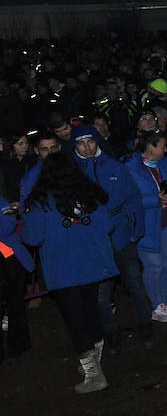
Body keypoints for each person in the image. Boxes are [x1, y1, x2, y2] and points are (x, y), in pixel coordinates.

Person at [21, 152, 118, 393]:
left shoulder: (40, 201)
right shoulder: (91, 194)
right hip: (92, 266)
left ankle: (94, 375)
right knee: (90, 313)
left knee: (76, 321)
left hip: (64, 270)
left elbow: (33, 237)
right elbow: (107, 226)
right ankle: (93, 364)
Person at [74, 124, 153, 349]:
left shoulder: (114, 166)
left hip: (121, 234)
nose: (87, 147)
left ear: (97, 141)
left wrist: (135, 231)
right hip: (94, 241)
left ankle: (145, 323)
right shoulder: (72, 172)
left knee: (135, 282)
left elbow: (133, 198)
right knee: (101, 293)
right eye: (81, 142)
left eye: (90, 141)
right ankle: (111, 331)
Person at [126, 130, 167, 322]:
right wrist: (156, 199)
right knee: (153, 266)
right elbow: (130, 199)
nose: (166, 149)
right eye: (163, 145)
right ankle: (156, 304)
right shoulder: (131, 169)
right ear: (151, 147)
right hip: (146, 226)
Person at [0, 190, 33, 362]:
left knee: (15, 305)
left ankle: (19, 346)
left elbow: (7, 225)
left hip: (10, 260)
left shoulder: (1, 202)